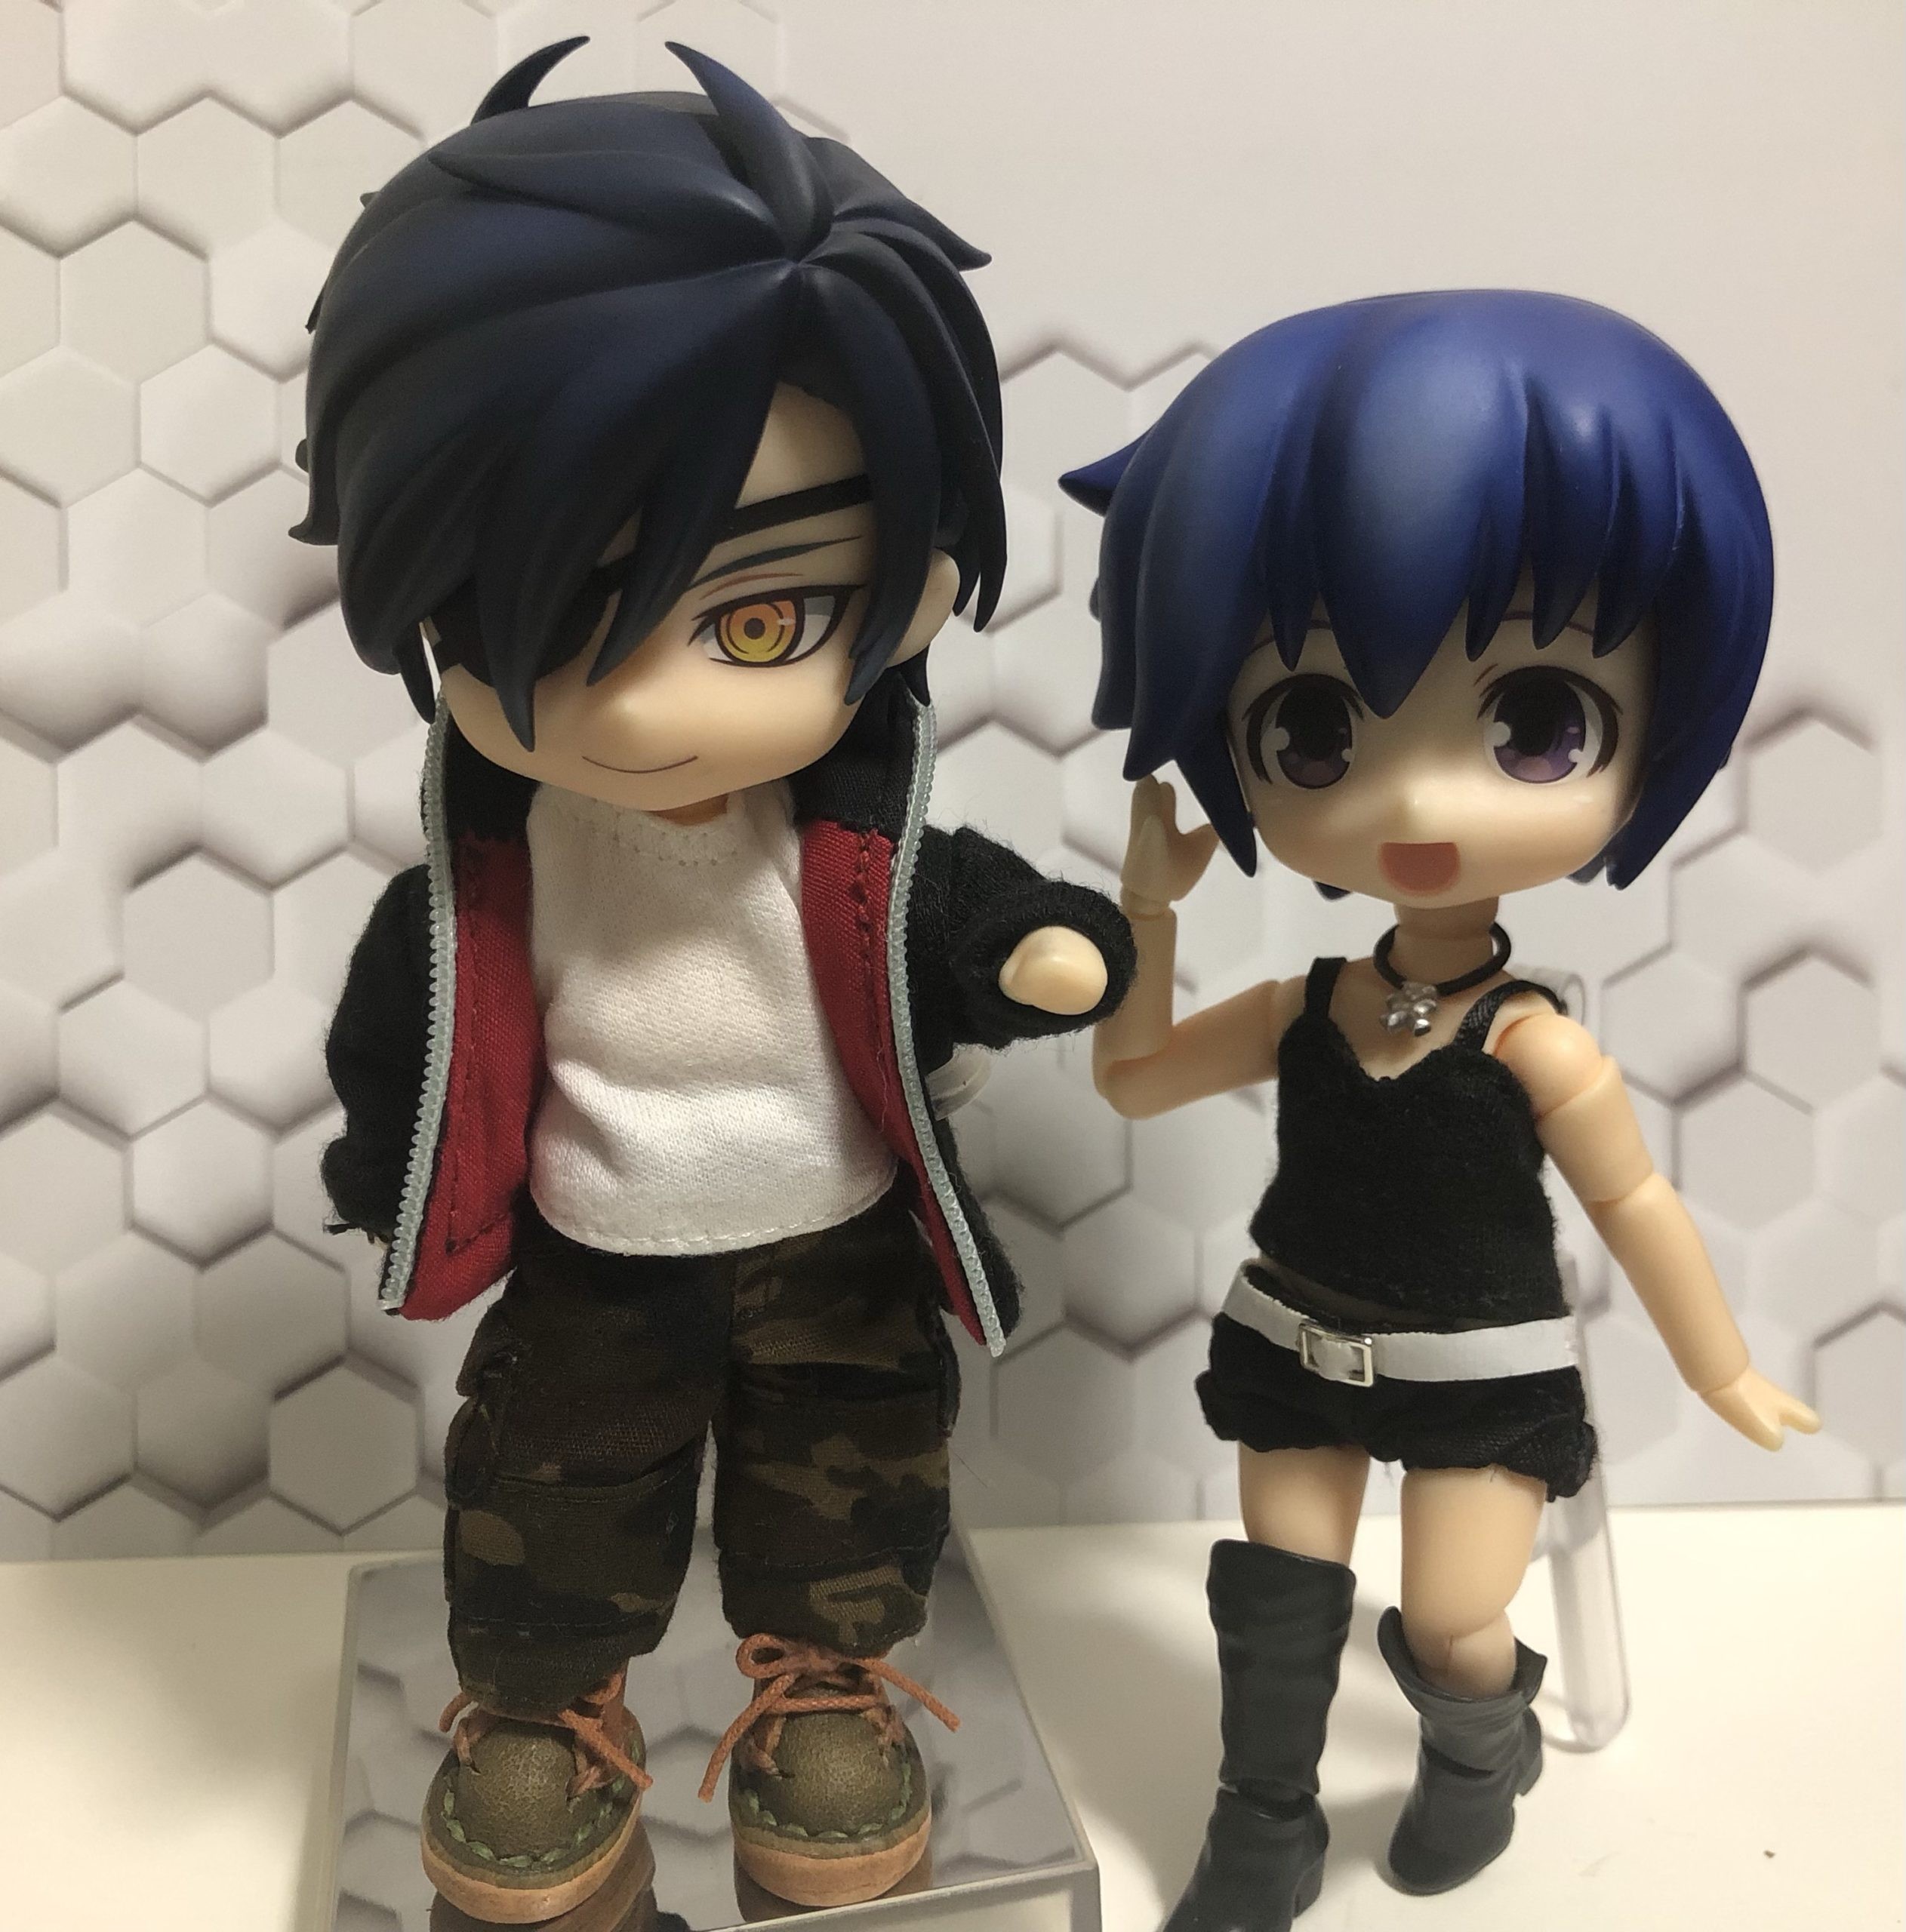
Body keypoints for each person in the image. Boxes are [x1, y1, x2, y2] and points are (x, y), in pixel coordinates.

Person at [300, 40, 1132, 1918]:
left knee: (852, 1471)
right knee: (554, 1488)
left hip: (834, 1231)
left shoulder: (849, 838)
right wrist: (381, 1155)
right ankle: (544, 1704)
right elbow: (398, 1023)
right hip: (594, 1244)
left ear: (916, 591)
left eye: (761, 615)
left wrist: (1035, 950)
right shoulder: (498, 863)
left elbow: (950, 914)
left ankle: (829, 1683)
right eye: (544, 619)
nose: (645, 703)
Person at [1067, 290, 1818, 1930]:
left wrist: (1722, 1367)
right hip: (1296, 1338)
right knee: (1276, 1601)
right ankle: (1260, 1828)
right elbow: (1131, 1073)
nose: (1412, 799)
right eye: (1314, 728)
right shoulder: (1310, 1006)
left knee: (1454, 1617)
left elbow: (1633, 1203)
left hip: (1484, 1374)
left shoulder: (1535, 1044)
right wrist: (1151, 915)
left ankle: (1480, 1752)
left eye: (1536, 722)